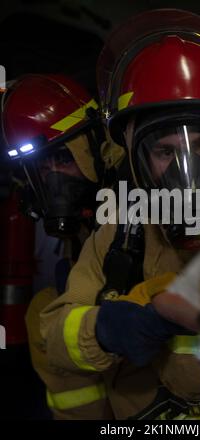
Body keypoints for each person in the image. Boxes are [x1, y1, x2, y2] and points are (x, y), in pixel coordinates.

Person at [39, 9, 200, 419]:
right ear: (138, 161)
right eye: (165, 151)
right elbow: (55, 335)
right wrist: (111, 329)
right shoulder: (123, 226)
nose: (188, 170)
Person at [2, 73, 124, 419]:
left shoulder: (136, 202)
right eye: (44, 165)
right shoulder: (81, 225)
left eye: (65, 160)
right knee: (43, 310)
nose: (55, 175)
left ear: (94, 149)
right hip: (94, 363)